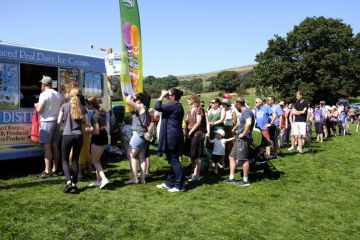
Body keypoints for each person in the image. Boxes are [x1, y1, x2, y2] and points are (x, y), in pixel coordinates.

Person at [57, 87, 88, 193]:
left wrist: (66, 119)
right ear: (79, 95)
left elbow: (58, 121)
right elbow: (86, 122)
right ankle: (74, 184)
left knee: (65, 160)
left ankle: (68, 183)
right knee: (75, 159)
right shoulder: (82, 107)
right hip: (79, 135)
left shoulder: (64, 106)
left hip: (67, 135)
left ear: (69, 95)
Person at [155, 88, 185, 192]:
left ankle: (180, 186)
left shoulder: (174, 104)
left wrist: (162, 95)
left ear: (173, 96)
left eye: (169, 95)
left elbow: (157, 106)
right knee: (173, 161)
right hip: (173, 135)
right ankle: (169, 183)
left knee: (174, 160)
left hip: (172, 136)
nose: (167, 96)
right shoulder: (175, 105)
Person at [35, 76, 63, 178]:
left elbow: (39, 109)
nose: (41, 85)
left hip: (47, 122)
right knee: (55, 145)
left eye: (41, 84)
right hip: (56, 122)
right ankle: (55, 169)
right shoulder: (58, 94)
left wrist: (36, 105)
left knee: (47, 147)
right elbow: (62, 107)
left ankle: (47, 171)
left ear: (44, 84)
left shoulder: (43, 94)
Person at [224, 97, 255, 186]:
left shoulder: (247, 112)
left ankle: (245, 180)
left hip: (243, 139)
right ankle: (231, 178)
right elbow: (241, 123)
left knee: (244, 159)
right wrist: (234, 128)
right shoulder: (244, 112)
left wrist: (244, 134)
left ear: (238, 105)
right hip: (239, 139)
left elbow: (248, 123)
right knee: (231, 157)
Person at [124, 93, 150, 184]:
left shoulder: (141, 107)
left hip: (138, 134)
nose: (135, 101)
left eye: (136, 99)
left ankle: (134, 178)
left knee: (131, 155)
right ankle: (142, 179)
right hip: (143, 134)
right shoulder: (145, 108)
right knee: (142, 157)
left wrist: (131, 95)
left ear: (140, 100)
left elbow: (127, 100)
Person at [86, 97, 109, 189]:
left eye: (86, 104)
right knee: (98, 160)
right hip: (104, 137)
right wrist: (93, 129)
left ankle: (104, 179)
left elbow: (96, 132)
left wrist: (89, 131)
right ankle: (98, 181)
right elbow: (104, 126)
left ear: (90, 104)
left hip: (97, 138)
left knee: (95, 161)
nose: (86, 105)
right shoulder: (102, 112)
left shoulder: (94, 116)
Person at [184, 93, 203, 182]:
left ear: (193, 100)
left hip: (196, 134)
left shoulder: (198, 110)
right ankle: (193, 173)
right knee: (191, 155)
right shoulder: (190, 110)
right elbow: (187, 121)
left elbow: (198, 122)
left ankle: (197, 174)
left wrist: (191, 131)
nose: (187, 100)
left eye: (189, 98)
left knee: (197, 156)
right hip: (189, 135)